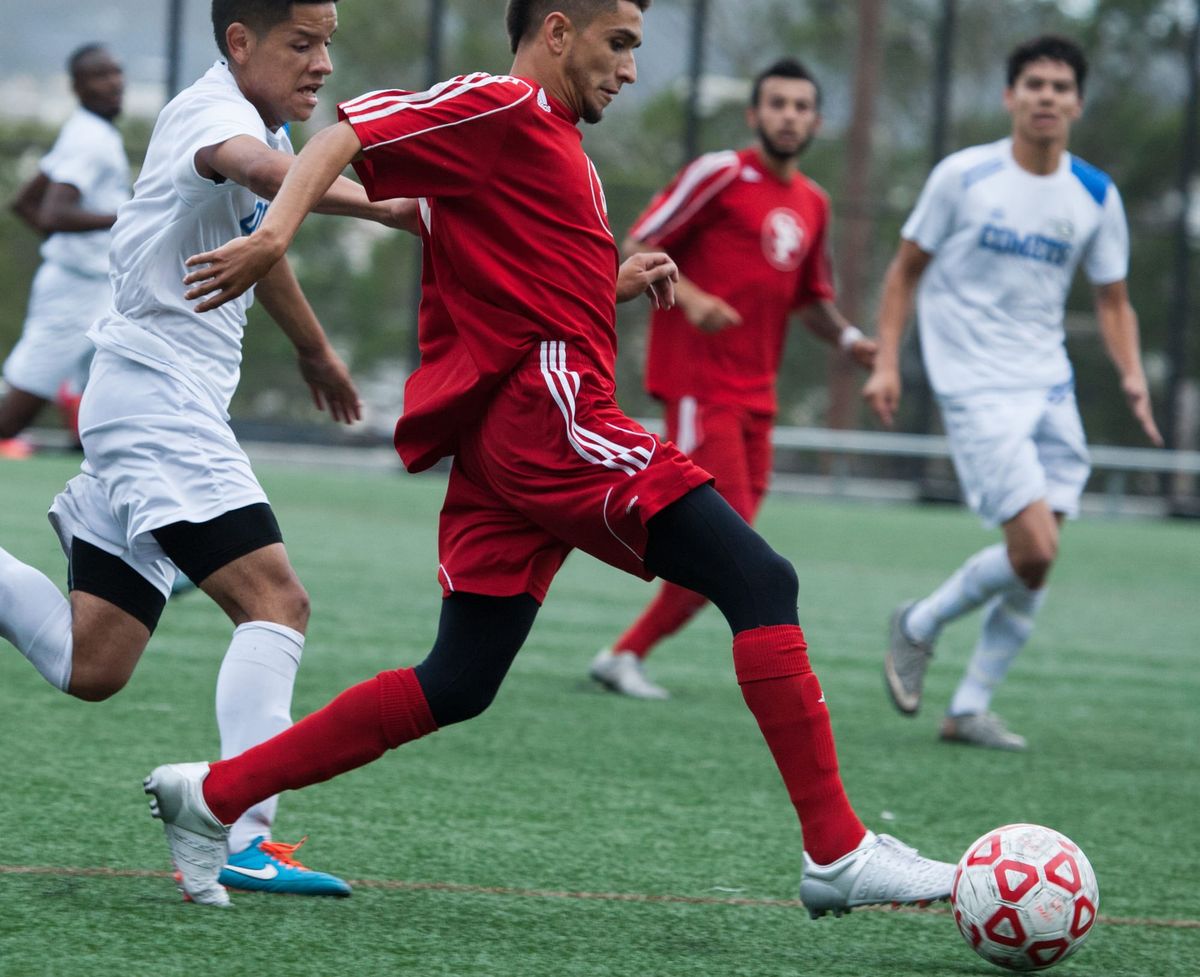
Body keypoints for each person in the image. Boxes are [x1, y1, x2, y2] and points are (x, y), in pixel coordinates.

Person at [143, 0, 955, 915]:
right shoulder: (500, 103)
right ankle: (838, 852)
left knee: (458, 680)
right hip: (551, 416)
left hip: (505, 440)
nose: (631, 69)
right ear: (559, 31)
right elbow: (342, 137)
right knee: (760, 579)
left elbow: (507, 275)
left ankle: (210, 796)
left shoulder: (548, 139)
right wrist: (273, 234)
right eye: (620, 44)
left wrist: (608, 280)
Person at [0, 0, 414, 897]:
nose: (321, 66)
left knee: (91, 662)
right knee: (278, 601)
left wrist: (313, 348)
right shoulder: (215, 116)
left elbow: (264, 231)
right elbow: (270, 171)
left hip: (141, 400)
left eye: (326, 46)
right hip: (157, 404)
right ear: (240, 42)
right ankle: (241, 832)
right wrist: (397, 209)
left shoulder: (248, 117)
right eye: (301, 44)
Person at [864, 35, 1162, 750]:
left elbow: (1114, 300)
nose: (1048, 97)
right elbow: (903, 271)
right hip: (975, 384)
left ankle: (969, 706)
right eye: (1034, 84)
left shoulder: (1095, 194)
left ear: (1078, 104)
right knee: (1031, 548)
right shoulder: (962, 178)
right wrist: (887, 362)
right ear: (1010, 97)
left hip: (1048, 381)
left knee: (1044, 553)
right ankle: (920, 622)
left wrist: (1131, 373)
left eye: (1061, 87)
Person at [589, 58, 876, 699]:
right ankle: (626, 647)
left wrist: (853, 340)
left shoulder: (814, 203)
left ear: (816, 123)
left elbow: (811, 298)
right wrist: (690, 299)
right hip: (699, 386)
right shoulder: (721, 172)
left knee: (728, 547)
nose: (789, 116)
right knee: (735, 545)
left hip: (758, 399)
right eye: (777, 104)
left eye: (801, 107)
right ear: (755, 114)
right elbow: (641, 240)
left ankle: (623, 654)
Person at [2, 44, 130, 458]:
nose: (113, 83)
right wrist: (127, 216)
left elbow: (25, 202)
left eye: (116, 73)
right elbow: (55, 212)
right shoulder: (90, 139)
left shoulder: (86, 130)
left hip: (94, 286)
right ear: (76, 86)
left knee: (110, 389)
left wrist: (66, 245)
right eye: (99, 76)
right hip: (73, 292)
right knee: (12, 419)